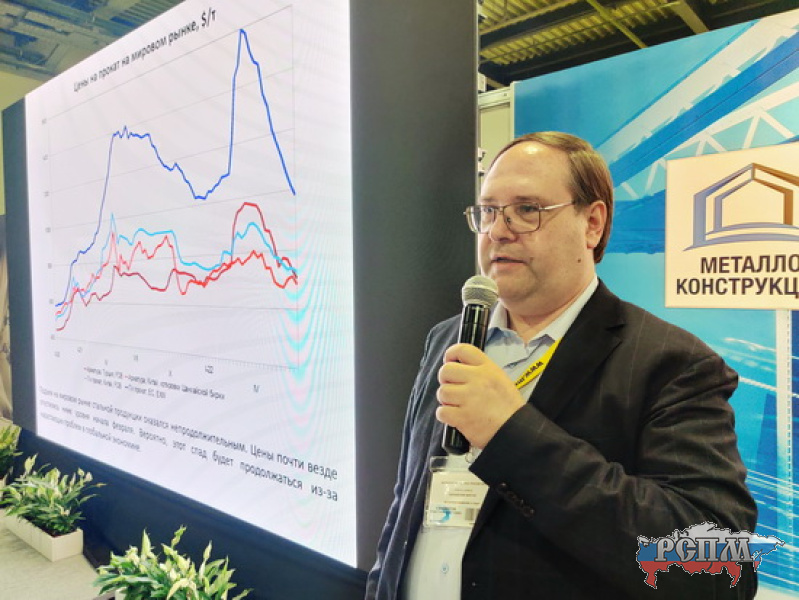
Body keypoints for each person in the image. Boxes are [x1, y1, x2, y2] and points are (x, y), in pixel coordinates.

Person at [365, 131, 757, 599]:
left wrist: (512, 434)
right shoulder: (448, 338)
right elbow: (405, 507)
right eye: (488, 211)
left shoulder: (672, 365)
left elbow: (717, 570)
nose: (498, 231)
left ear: (592, 224)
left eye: (527, 209)